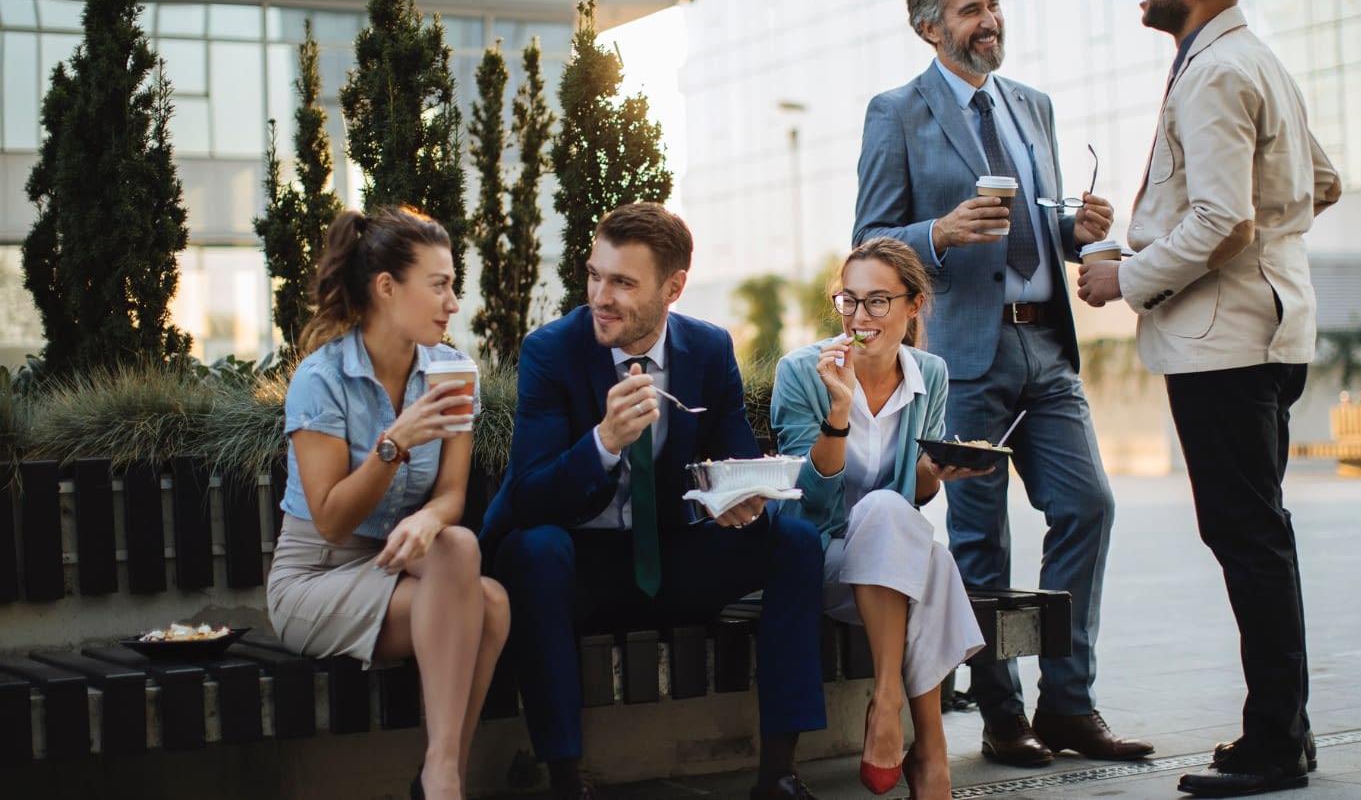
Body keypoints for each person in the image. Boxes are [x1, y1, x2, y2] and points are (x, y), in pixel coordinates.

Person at [854, 0, 1152, 766]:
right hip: (964, 356)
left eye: (993, 4)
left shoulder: (1034, 107)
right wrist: (938, 235)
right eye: (969, 11)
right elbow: (869, 244)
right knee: (983, 542)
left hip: (1047, 344)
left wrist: (1076, 230)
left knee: (1087, 507)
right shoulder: (897, 113)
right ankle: (1001, 713)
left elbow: (1039, 228)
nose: (989, 20)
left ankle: (1069, 703)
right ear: (929, 28)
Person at [1077, 0, 1342, 797]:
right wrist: (1265, 249)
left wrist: (1130, 276)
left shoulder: (1217, 71)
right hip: (1269, 329)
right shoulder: (1253, 60)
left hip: (1226, 345)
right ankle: (1282, 732)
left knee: (1248, 538)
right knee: (1258, 534)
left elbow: (1225, 219)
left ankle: (1275, 744)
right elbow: (1319, 182)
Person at [480, 202, 827, 800]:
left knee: (793, 541)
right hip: (582, 571)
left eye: (622, 282)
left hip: (674, 559)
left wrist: (741, 499)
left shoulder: (709, 349)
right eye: (594, 274)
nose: (601, 295)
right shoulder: (552, 351)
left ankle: (779, 774)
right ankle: (565, 779)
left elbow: (736, 460)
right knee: (536, 550)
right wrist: (603, 442)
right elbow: (531, 496)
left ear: (673, 287)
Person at [267, 206, 510, 800]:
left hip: (403, 562)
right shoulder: (320, 380)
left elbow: (451, 496)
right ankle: (444, 779)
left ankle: (440, 772)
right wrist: (395, 442)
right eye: (440, 285)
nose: (453, 302)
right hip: (317, 576)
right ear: (386, 288)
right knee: (487, 605)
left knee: (463, 551)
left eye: (453, 285)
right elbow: (330, 520)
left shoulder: (452, 372)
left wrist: (428, 517)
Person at [770, 238, 988, 799]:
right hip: (821, 559)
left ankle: (910, 734)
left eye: (877, 302)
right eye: (849, 301)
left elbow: (913, 492)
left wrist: (939, 469)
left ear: (913, 306)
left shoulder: (930, 374)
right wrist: (839, 410)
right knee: (929, 556)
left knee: (911, 536)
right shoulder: (803, 371)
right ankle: (916, 734)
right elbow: (808, 501)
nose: (860, 317)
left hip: (885, 562)